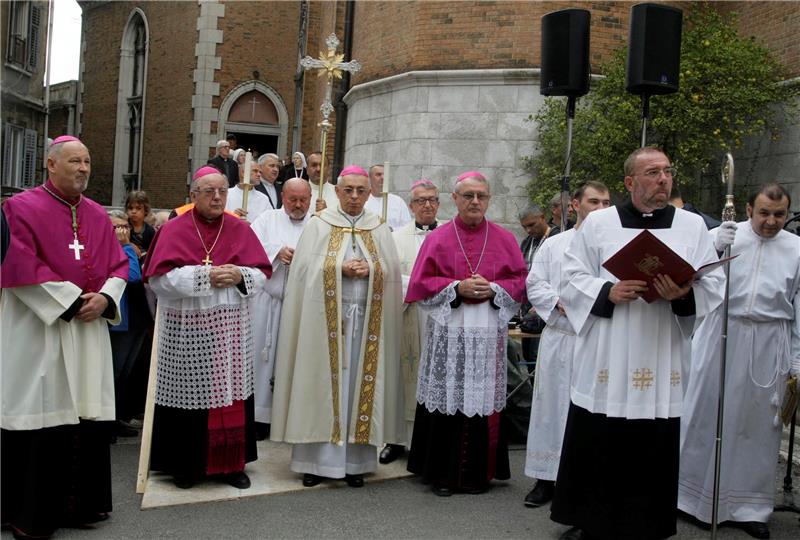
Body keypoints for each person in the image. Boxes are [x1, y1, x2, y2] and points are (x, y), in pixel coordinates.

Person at [550, 147, 725, 540]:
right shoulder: (599, 224)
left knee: (653, 441)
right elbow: (571, 276)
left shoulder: (691, 225)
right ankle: (592, 521)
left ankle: (648, 523)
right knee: (600, 435)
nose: (663, 179)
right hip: (610, 347)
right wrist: (607, 291)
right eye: (652, 173)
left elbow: (714, 283)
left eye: (667, 172)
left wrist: (681, 293)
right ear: (630, 182)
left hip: (660, 347)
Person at [1, 135, 128, 538]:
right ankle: (29, 513)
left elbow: (119, 265)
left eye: (87, 161)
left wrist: (106, 298)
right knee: (42, 410)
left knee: (84, 411)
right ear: (51, 165)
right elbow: (17, 264)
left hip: (88, 331)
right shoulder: (17, 208)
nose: (83, 168)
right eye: (74, 161)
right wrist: (73, 302)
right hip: (39, 330)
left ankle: (80, 506)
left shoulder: (95, 213)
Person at [678, 183, 800, 540]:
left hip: (768, 340)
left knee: (757, 426)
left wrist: (797, 358)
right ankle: (691, 499)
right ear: (748, 210)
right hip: (720, 330)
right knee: (704, 414)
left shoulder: (796, 249)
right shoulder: (724, 235)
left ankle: (750, 508)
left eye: (779, 215)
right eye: (764, 213)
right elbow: (688, 275)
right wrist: (714, 245)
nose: (771, 221)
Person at [271, 165, 404, 489]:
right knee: (320, 383)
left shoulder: (379, 228)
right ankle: (313, 462)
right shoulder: (319, 225)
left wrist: (371, 269)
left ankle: (355, 463)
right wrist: (337, 267)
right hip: (324, 325)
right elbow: (302, 273)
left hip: (364, 326)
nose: (355, 197)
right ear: (338, 191)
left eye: (361, 191)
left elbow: (390, 272)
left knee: (359, 386)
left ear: (369, 193)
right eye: (349, 190)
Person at [143, 166, 272, 490]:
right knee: (187, 400)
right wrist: (205, 277)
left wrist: (241, 275)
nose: (217, 197)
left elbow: (262, 275)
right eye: (209, 191)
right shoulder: (174, 229)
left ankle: (230, 466)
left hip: (229, 334)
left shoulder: (239, 228)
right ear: (193, 195)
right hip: (188, 332)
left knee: (230, 400)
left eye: (222, 191)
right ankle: (184, 465)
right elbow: (158, 280)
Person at [405, 170, 528, 496]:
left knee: (481, 397)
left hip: (487, 334)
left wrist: (494, 290)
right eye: (469, 195)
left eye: (482, 196)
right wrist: (457, 287)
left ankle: (479, 474)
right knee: (447, 396)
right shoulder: (438, 238)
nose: (475, 201)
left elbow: (519, 283)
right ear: (456, 199)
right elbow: (420, 285)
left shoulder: (504, 238)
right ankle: (443, 474)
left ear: (488, 199)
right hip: (450, 331)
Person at [523, 181, 611, 508]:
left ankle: (581, 482)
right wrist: (556, 302)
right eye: (594, 202)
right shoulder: (554, 245)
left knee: (587, 412)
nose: (601, 208)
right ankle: (544, 478)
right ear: (575, 204)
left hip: (595, 341)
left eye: (606, 203)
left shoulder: (613, 248)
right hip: (560, 338)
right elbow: (535, 283)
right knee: (550, 409)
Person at [379, 179, 445, 465]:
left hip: (442, 318)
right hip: (408, 313)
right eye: (421, 201)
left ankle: (432, 440)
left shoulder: (450, 235)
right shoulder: (396, 237)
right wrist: (419, 285)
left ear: (439, 204)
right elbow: (389, 276)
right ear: (411, 206)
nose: (427, 205)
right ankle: (396, 440)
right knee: (400, 377)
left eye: (432, 200)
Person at [249, 178, 313, 440]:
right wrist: (277, 252)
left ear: (310, 199)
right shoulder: (266, 220)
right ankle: (260, 419)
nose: (298, 205)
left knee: (296, 360)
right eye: (292, 199)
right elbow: (249, 249)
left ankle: (289, 418)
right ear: (282, 197)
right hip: (267, 302)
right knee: (261, 361)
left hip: (302, 305)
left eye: (303, 200)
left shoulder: (318, 224)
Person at [106, 210, 147, 438]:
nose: (122, 231)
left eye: (125, 227)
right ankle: (107, 422)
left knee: (125, 373)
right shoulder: (117, 249)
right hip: (119, 322)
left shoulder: (131, 247)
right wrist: (127, 247)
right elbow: (131, 275)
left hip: (137, 320)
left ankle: (118, 417)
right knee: (114, 372)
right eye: (117, 227)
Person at [364, 164, 412, 230]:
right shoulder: (363, 201)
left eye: (385, 175)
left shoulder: (398, 202)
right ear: (370, 178)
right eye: (378, 175)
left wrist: (392, 229)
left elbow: (408, 227)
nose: (382, 178)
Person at [126, 190, 155, 259]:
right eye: (130, 208)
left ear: (146, 210)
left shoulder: (150, 231)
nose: (133, 211)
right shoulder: (123, 226)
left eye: (138, 208)